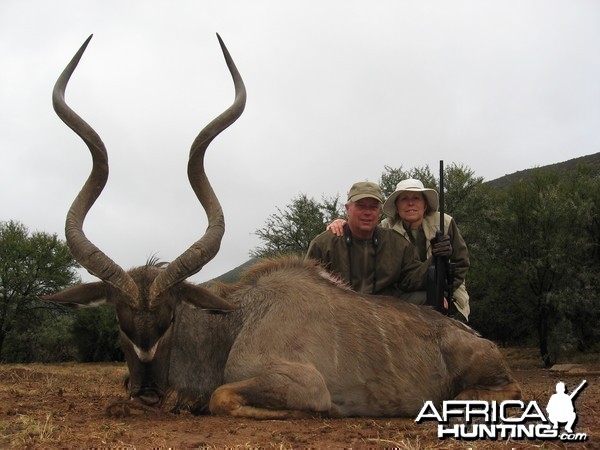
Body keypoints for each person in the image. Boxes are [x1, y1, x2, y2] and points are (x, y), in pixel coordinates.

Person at [327, 179, 470, 320]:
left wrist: (441, 293)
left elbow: (461, 263)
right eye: (404, 199)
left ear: (425, 204)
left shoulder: (444, 223)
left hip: (447, 292)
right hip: (405, 293)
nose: (410, 203)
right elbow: (359, 227)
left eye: (416, 198)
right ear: (397, 205)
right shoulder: (385, 229)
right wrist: (341, 223)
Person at [306, 181, 452, 303]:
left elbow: (411, 280)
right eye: (361, 206)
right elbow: (307, 286)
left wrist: (436, 258)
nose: (367, 212)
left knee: (431, 298)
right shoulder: (325, 243)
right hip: (340, 312)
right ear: (347, 209)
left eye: (373, 207)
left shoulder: (396, 243)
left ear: (379, 211)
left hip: (384, 312)